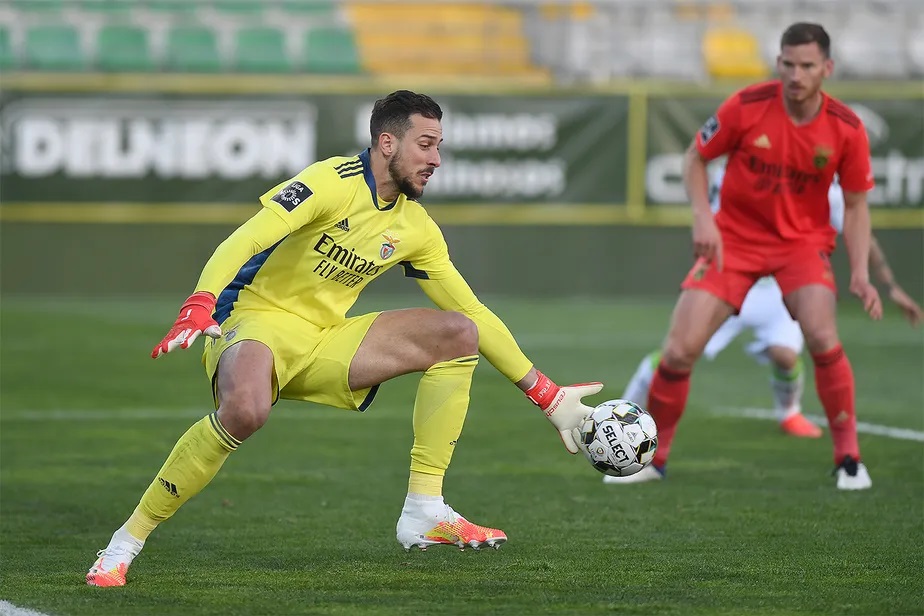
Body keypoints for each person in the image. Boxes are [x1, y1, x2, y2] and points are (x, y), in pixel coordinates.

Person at [86, 90, 603, 587]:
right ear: (387, 144)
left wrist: (547, 395)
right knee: (245, 412)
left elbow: (474, 311)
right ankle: (123, 545)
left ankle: (424, 508)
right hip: (255, 320)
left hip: (326, 340)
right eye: (426, 144)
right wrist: (199, 302)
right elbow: (247, 238)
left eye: (439, 146)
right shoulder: (330, 182)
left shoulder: (416, 228)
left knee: (457, 332)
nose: (436, 159)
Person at [606, 23, 883, 491]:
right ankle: (654, 461)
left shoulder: (847, 129)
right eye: (788, 64)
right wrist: (703, 217)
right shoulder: (747, 105)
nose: (796, 74)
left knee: (821, 337)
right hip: (733, 239)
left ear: (827, 69)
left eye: (808, 66)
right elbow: (695, 158)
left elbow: (855, 206)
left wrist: (860, 272)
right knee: (677, 351)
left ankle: (849, 460)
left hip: (802, 245)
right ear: (779, 63)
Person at [614, 168, 922, 459]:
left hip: (779, 288)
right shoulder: (739, 173)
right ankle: (621, 413)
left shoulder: (826, 189)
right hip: (730, 278)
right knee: (676, 354)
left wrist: (889, 285)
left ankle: (789, 413)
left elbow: (862, 235)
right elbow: (711, 209)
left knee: (785, 355)